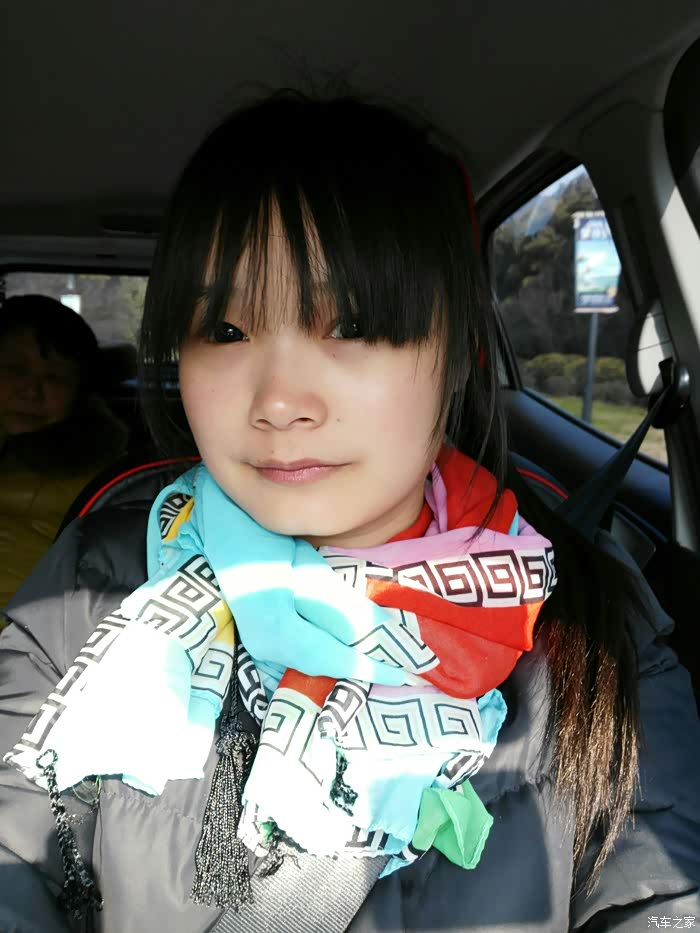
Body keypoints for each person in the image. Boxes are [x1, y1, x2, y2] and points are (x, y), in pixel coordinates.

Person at [0, 92, 698, 933]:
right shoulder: (90, 588)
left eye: (352, 324)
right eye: (225, 329)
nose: (279, 400)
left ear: (457, 350)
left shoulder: (596, 634)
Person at [0, 295, 128, 610]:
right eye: (15, 369)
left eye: (55, 377)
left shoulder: (103, 472)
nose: (32, 391)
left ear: (80, 391)